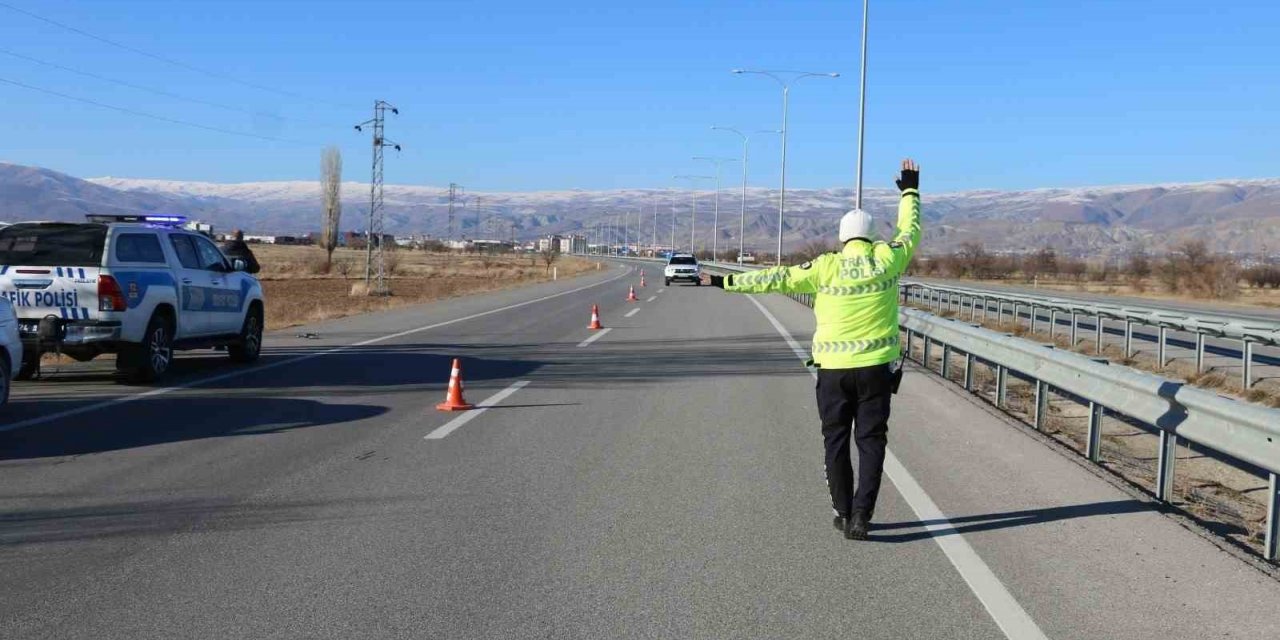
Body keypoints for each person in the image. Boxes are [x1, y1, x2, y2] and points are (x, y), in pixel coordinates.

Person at [705, 158, 921, 540]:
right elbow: (910, 231)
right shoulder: (888, 259)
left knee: (835, 441)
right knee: (871, 443)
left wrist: (725, 282)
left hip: (834, 373)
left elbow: (776, 278)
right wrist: (909, 190)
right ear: (871, 237)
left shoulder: (824, 267)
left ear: (842, 237)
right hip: (875, 372)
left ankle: (841, 510)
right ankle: (861, 516)